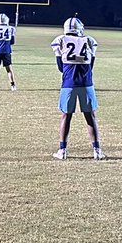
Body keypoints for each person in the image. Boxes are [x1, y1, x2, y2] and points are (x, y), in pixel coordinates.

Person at [50, 16, 105, 160]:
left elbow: (61, 67)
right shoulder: (89, 40)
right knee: (90, 116)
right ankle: (97, 150)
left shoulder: (61, 40)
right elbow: (91, 65)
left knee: (66, 116)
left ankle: (62, 150)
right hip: (86, 83)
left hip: (68, 84)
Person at [0, 13, 17, 91]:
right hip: (7, 51)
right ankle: (13, 86)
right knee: (9, 69)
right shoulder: (11, 29)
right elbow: (12, 42)